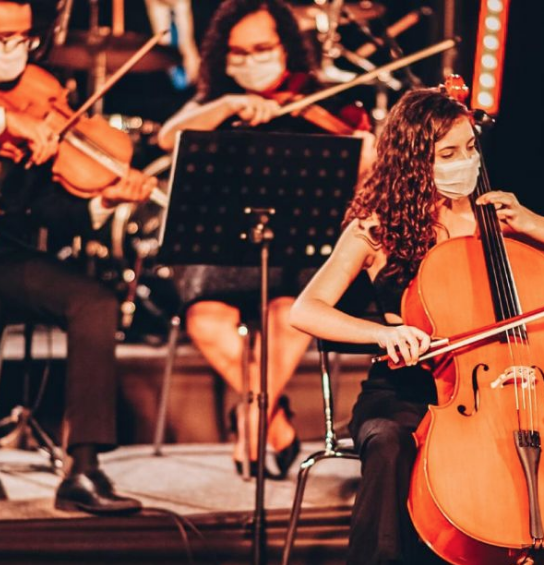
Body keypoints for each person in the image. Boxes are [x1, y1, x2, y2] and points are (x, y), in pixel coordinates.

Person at [289, 88, 544, 564]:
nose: (463, 162)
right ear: (412, 160)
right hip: (406, 391)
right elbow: (306, 310)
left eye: (470, 148)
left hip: (512, 388)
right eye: (447, 154)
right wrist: (383, 333)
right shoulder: (375, 229)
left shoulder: (494, 220)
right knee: (387, 443)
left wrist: (528, 220)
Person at [0, 0, 155, 513]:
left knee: (93, 301)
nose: (16, 51)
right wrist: (1, 122)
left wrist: (102, 200)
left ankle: (83, 469)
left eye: (24, 39)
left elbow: (48, 207)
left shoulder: (35, 94)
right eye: (4, 39)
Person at [156, 0, 375, 478]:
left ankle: (251, 418)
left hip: (300, 247)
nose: (250, 61)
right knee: (206, 321)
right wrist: (229, 106)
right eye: (238, 52)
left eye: (261, 49)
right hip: (225, 247)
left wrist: (331, 127)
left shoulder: (324, 99)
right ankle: (273, 422)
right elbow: (168, 138)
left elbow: (371, 161)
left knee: (285, 314)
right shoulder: (214, 100)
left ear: (285, 48)